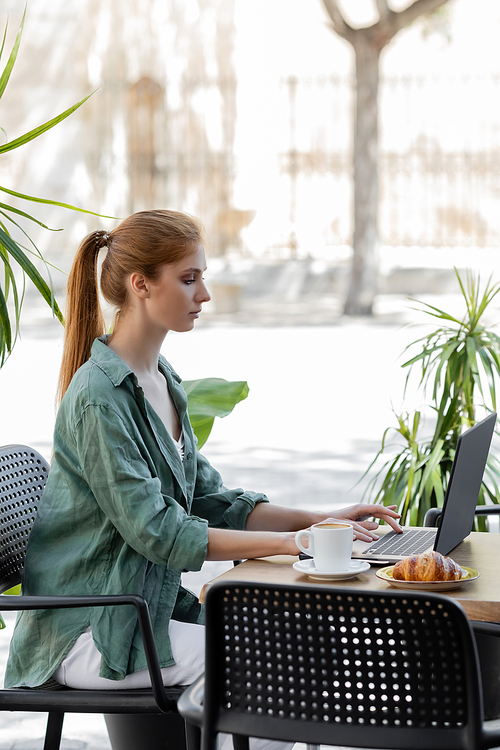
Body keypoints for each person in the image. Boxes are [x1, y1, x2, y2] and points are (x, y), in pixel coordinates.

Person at [5, 209, 401, 748]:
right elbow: (159, 532)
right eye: (189, 279)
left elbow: (210, 501)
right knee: (269, 673)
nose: (205, 294)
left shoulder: (161, 380)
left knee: (291, 648)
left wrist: (321, 519)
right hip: (92, 631)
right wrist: (294, 544)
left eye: (202, 278)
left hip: (142, 614)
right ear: (141, 285)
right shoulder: (98, 397)